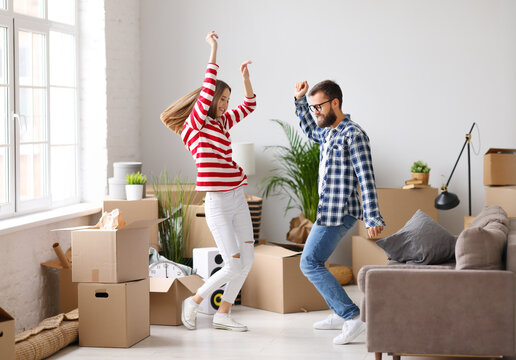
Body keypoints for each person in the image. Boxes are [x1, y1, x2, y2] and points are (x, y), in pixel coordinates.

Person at [160, 30, 256, 332]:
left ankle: (223, 314)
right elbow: (209, 83)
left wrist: (244, 80)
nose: (226, 105)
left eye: (228, 100)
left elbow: (250, 105)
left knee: (247, 261)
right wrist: (214, 48)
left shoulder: (222, 122)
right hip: (217, 203)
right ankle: (195, 301)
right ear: (210, 99)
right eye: (222, 99)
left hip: (238, 198)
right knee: (232, 264)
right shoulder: (195, 125)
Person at [293, 80, 385, 345]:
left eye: (318, 106)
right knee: (317, 262)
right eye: (312, 108)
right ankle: (339, 310)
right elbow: (311, 130)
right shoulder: (330, 131)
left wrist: (373, 217)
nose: (315, 112)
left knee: (309, 262)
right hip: (329, 209)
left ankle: (352, 316)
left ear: (335, 103)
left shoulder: (353, 134)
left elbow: (365, 178)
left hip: (339, 210)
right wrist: (300, 101)